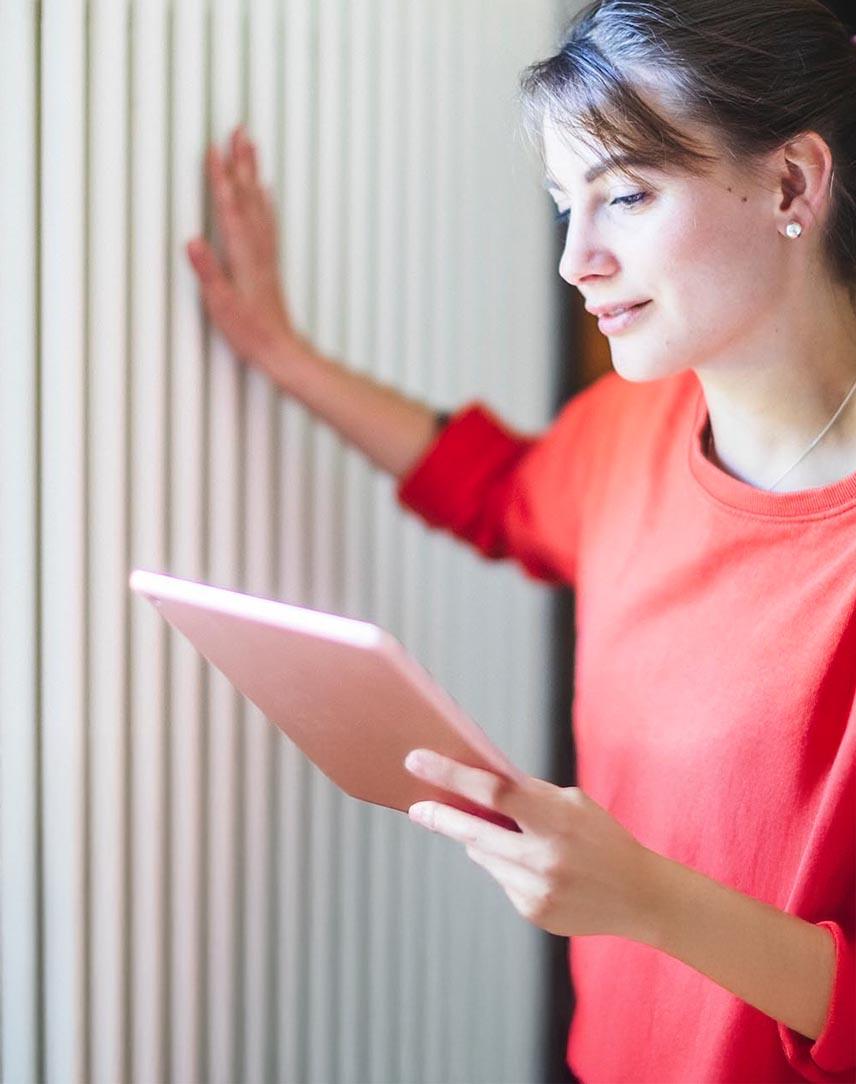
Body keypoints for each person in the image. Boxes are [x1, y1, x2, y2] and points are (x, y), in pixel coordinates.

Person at [186, 1, 856, 1080]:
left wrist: (647, 900)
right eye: (563, 207)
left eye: (627, 196)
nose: (575, 261)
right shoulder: (631, 430)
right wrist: (285, 357)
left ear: (791, 185)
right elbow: (497, 490)